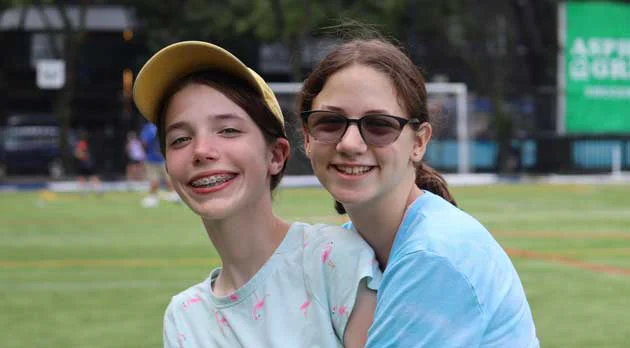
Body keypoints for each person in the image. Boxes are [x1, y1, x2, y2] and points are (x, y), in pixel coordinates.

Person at [133, 41, 380, 347]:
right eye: (180, 139)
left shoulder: (336, 262)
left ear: (276, 156)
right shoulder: (184, 318)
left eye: (228, 130)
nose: (201, 151)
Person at [298, 37, 539, 347]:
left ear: (419, 142)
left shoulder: (433, 254)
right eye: (330, 122)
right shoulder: (351, 244)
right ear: (306, 136)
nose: (349, 144)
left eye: (379, 125)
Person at [140, 121, 179, 207]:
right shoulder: (164, 125)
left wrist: (145, 152)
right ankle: (174, 195)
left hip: (152, 158)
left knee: (154, 178)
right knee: (169, 177)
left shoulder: (149, 128)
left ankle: (153, 197)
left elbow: (144, 142)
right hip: (163, 156)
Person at [73, 130, 102, 195]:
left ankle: (83, 192)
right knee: (92, 177)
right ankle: (98, 190)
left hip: (84, 164)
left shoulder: (81, 144)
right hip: (88, 163)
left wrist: (77, 154)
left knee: (82, 177)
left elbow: (80, 154)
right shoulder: (87, 143)